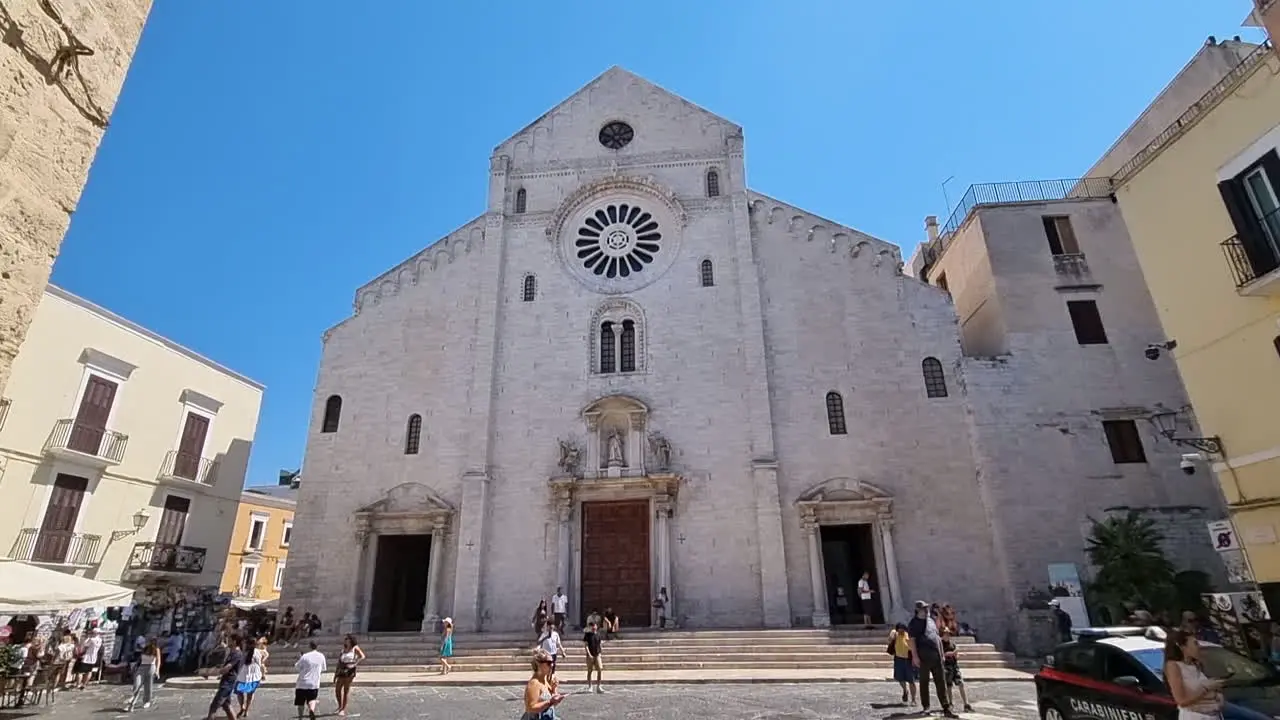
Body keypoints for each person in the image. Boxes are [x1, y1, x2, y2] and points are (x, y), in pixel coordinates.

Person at [908, 600, 957, 718]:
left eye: (926, 608)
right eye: (923, 609)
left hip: (936, 656)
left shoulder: (931, 621)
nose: (926, 611)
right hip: (923, 657)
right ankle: (926, 707)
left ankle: (946, 707)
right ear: (917, 611)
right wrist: (915, 657)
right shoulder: (913, 623)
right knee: (924, 683)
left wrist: (941, 654)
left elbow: (937, 638)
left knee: (941, 682)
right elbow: (912, 641)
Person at [1164, 628, 1225, 720]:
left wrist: (1216, 693)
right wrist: (1206, 688)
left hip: (1213, 714)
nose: (1199, 646)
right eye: (1195, 643)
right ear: (1183, 647)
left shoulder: (1196, 664)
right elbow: (1181, 700)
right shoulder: (1173, 666)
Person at [203, 632, 244, 720]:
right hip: (226, 682)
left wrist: (213, 672)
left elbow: (227, 668)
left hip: (228, 683)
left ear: (235, 641)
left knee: (214, 707)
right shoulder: (232, 652)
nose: (227, 641)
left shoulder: (237, 653)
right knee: (226, 705)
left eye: (229, 640)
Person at [523, 648, 564, 720]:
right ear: (539, 664)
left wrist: (554, 690)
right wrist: (550, 702)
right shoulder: (534, 683)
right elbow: (530, 708)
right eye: (548, 663)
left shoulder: (546, 679)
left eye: (552, 662)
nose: (552, 665)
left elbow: (551, 705)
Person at [941, 628, 974, 713]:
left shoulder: (952, 644)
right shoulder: (940, 644)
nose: (947, 635)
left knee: (961, 683)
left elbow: (956, 655)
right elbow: (942, 655)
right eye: (945, 634)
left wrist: (957, 655)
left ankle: (966, 704)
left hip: (954, 666)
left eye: (948, 634)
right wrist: (952, 653)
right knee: (949, 686)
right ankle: (950, 703)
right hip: (946, 667)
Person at [127, 637, 162, 712]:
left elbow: (158, 661)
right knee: (137, 683)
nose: (150, 643)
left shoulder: (156, 649)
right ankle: (133, 699)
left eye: (152, 642)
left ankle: (147, 701)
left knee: (148, 685)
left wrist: (157, 671)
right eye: (149, 641)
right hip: (142, 667)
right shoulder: (145, 649)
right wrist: (134, 667)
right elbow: (139, 659)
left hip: (151, 667)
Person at [294, 641, 327, 720]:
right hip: (314, 683)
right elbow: (324, 668)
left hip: (302, 682)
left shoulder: (305, 656)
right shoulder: (321, 656)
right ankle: (311, 710)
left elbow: (297, 667)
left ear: (309, 647)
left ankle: (300, 717)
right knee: (312, 699)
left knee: (300, 703)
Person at [333, 634, 364, 717]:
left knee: (346, 690)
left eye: (347, 639)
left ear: (351, 640)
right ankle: (339, 706)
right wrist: (335, 674)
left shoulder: (355, 648)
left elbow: (362, 656)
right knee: (337, 689)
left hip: (350, 671)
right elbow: (339, 662)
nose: (345, 640)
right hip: (342, 669)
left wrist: (355, 663)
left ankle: (343, 709)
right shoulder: (343, 649)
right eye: (345, 639)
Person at [234, 636, 264, 718]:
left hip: (243, 675)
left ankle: (242, 708)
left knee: (240, 693)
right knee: (250, 694)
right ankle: (246, 710)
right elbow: (260, 663)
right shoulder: (257, 652)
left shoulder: (243, 652)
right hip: (253, 675)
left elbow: (239, 664)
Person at [888, 622, 917, 706]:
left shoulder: (908, 635)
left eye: (902, 629)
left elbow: (912, 647)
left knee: (911, 681)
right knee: (900, 679)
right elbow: (889, 640)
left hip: (908, 660)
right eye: (899, 629)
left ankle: (913, 699)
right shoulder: (895, 634)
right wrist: (892, 633)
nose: (901, 631)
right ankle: (905, 690)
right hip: (898, 659)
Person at [583, 620, 604, 693]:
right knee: (589, 671)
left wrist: (600, 652)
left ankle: (599, 686)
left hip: (597, 654)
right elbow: (586, 646)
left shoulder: (598, 635)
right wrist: (589, 654)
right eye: (591, 626)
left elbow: (600, 644)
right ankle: (590, 686)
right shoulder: (587, 635)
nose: (593, 627)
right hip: (590, 656)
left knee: (600, 669)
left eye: (594, 625)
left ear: (596, 626)